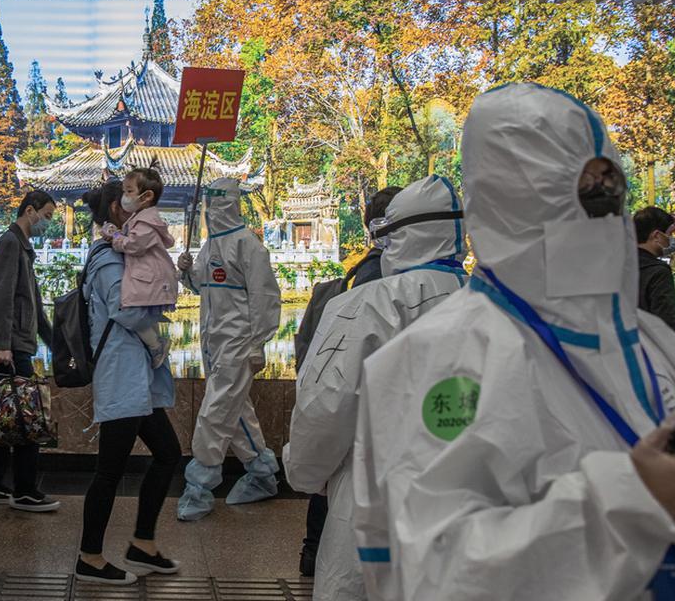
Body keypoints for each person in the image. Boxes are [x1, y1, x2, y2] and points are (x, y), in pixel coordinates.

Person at [352, 83, 675, 601]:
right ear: (506, 200)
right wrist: (632, 502)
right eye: (576, 190)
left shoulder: (656, 348)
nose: (601, 209)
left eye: (609, 188)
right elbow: (432, 574)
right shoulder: (435, 359)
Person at [286, 176, 468, 601]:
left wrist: (304, 471)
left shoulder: (365, 307)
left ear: (392, 236)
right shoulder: (500, 306)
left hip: (376, 495)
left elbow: (325, 405)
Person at [76, 180, 181, 586]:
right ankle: (89, 557)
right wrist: (156, 338)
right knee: (109, 471)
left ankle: (143, 543)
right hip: (122, 375)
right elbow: (126, 309)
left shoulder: (121, 252)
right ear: (118, 212)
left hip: (139, 376)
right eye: (128, 200)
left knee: (168, 453)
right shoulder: (107, 259)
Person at [292, 184, 401, 577]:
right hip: (369, 412)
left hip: (337, 403)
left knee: (331, 480)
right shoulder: (387, 282)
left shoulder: (357, 277)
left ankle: (311, 548)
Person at [175, 177, 282, 521]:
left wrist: (257, 342)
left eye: (217, 203)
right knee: (233, 409)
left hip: (237, 343)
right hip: (213, 341)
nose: (211, 210)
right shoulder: (210, 246)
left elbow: (265, 297)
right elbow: (202, 287)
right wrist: (186, 273)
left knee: (216, 409)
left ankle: (200, 485)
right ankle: (263, 473)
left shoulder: (248, 246)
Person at [0, 190, 61, 513]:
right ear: (30, 211)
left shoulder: (23, 248)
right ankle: (24, 489)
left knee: (5, 414)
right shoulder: (11, 243)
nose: (48, 224)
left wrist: (54, 343)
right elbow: (0, 296)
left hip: (15, 343)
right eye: (47, 216)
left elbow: (33, 306)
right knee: (27, 416)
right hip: (7, 347)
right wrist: (1, 346)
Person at [100, 167, 178, 367]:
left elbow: (133, 245)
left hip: (148, 280)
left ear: (147, 196)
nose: (125, 197)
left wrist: (116, 237)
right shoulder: (142, 220)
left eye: (129, 191)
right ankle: (155, 344)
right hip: (145, 279)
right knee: (135, 315)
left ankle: (156, 345)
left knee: (128, 314)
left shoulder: (146, 222)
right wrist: (117, 233)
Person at [634, 206, 675, 333]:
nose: (671, 239)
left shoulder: (618, 265)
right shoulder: (658, 272)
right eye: (669, 234)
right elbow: (667, 325)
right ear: (657, 235)